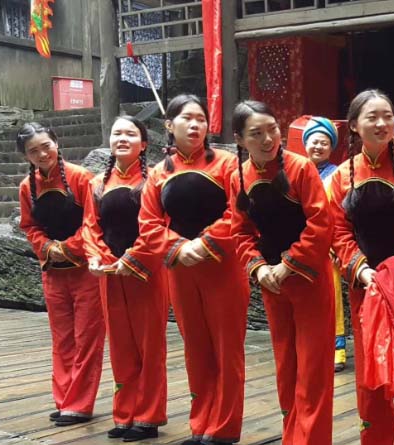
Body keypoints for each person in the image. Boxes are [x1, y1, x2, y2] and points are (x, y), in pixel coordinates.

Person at [135, 94, 250, 445]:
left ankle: (225, 428)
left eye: (201, 118)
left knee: (226, 348)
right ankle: (201, 424)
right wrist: (177, 247)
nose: (195, 124)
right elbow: (148, 222)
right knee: (195, 347)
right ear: (169, 125)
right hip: (181, 268)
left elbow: (240, 212)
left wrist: (205, 243)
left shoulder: (229, 164)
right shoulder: (158, 173)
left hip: (223, 266)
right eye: (187, 118)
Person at [328, 89, 394, 444]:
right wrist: (363, 270)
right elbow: (337, 231)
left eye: (387, 115)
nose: (382, 123)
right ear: (354, 126)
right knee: (371, 370)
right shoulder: (342, 176)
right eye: (372, 117)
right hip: (366, 286)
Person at [230, 101, 335, 445]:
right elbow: (240, 232)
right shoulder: (239, 176)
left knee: (314, 369)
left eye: (272, 129)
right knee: (286, 365)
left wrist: (288, 264)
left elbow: (321, 224)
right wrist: (259, 268)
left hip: (307, 278)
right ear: (240, 139)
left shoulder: (301, 168)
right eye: (255, 134)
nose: (267, 139)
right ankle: (293, 436)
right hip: (271, 283)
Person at [81, 116, 169, 442]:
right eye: (117, 132)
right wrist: (98, 257)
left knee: (150, 347)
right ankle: (124, 413)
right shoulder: (97, 184)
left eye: (130, 134)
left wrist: (131, 259)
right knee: (120, 347)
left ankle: (148, 416)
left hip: (146, 273)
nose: (122, 138)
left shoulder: (155, 181)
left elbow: (157, 227)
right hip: (110, 274)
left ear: (143, 144)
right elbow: (91, 226)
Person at [16, 122, 104, 427]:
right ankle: (66, 399)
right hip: (52, 273)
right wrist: (46, 247)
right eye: (33, 151)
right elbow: (28, 226)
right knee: (62, 339)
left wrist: (66, 248)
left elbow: (93, 223)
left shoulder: (82, 177)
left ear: (56, 142)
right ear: (26, 156)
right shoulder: (27, 187)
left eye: (45, 146)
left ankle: (80, 403)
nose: (42, 153)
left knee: (87, 338)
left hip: (85, 272)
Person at [301, 116, 348, 372]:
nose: (318, 147)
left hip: (328, 247)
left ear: (331, 148)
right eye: (314, 142)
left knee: (332, 299)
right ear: (305, 144)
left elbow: (340, 213)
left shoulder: (337, 175)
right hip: (301, 246)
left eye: (324, 143)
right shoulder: (296, 171)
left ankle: (336, 351)